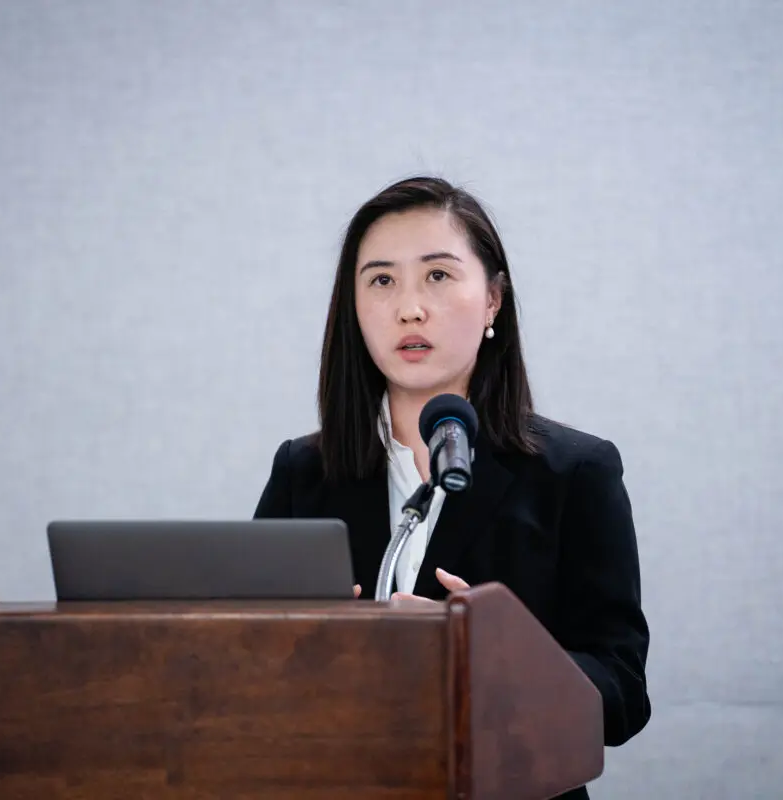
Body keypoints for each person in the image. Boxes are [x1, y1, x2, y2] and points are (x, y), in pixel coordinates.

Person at [254, 176, 650, 798]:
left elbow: (623, 697)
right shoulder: (303, 473)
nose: (410, 307)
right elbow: (245, 663)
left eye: (437, 275)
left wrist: (496, 657)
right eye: (381, 280)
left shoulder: (575, 472)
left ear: (493, 299)